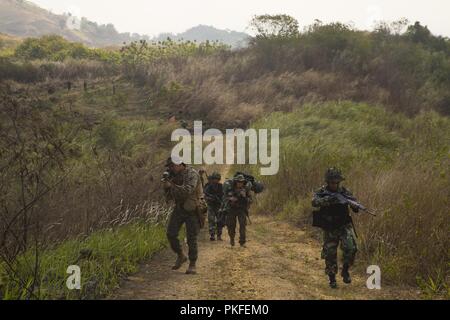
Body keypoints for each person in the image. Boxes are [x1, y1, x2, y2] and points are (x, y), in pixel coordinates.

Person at [312, 168, 359, 289]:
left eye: (337, 182)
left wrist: (354, 206)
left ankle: (346, 270)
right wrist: (329, 200)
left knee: (352, 247)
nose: (335, 184)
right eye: (333, 182)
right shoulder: (322, 191)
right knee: (330, 253)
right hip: (330, 227)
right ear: (328, 182)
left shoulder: (344, 192)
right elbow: (315, 202)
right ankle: (332, 279)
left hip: (344, 225)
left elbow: (355, 205)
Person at [163, 156, 203, 275]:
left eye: (172, 166)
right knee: (171, 233)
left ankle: (192, 264)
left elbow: (187, 190)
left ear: (180, 164)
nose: (171, 168)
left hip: (192, 209)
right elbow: (168, 195)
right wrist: (166, 186)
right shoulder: (171, 175)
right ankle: (180, 255)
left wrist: (171, 185)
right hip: (179, 208)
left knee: (191, 238)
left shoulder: (192, 174)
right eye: (170, 167)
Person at [222, 174, 252, 248]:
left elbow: (250, 200)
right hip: (231, 209)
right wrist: (230, 199)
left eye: (241, 182)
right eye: (238, 182)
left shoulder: (245, 190)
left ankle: (242, 242)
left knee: (242, 225)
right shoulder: (230, 189)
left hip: (241, 209)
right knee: (231, 226)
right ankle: (232, 239)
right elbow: (224, 198)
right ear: (236, 182)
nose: (240, 183)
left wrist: (245, 197)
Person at [204, 172, 224, 241]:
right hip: (211, 205)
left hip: (219, 206)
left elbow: (224, 195)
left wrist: (221, 201)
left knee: (220, 220)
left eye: (217, 179)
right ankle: (212, 235)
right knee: (211, 220)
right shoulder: (209, 186)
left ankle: (219, 235)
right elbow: (205, 195)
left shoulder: (221, 186)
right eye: (214, 179)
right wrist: (210, 198)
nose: (216, 180)